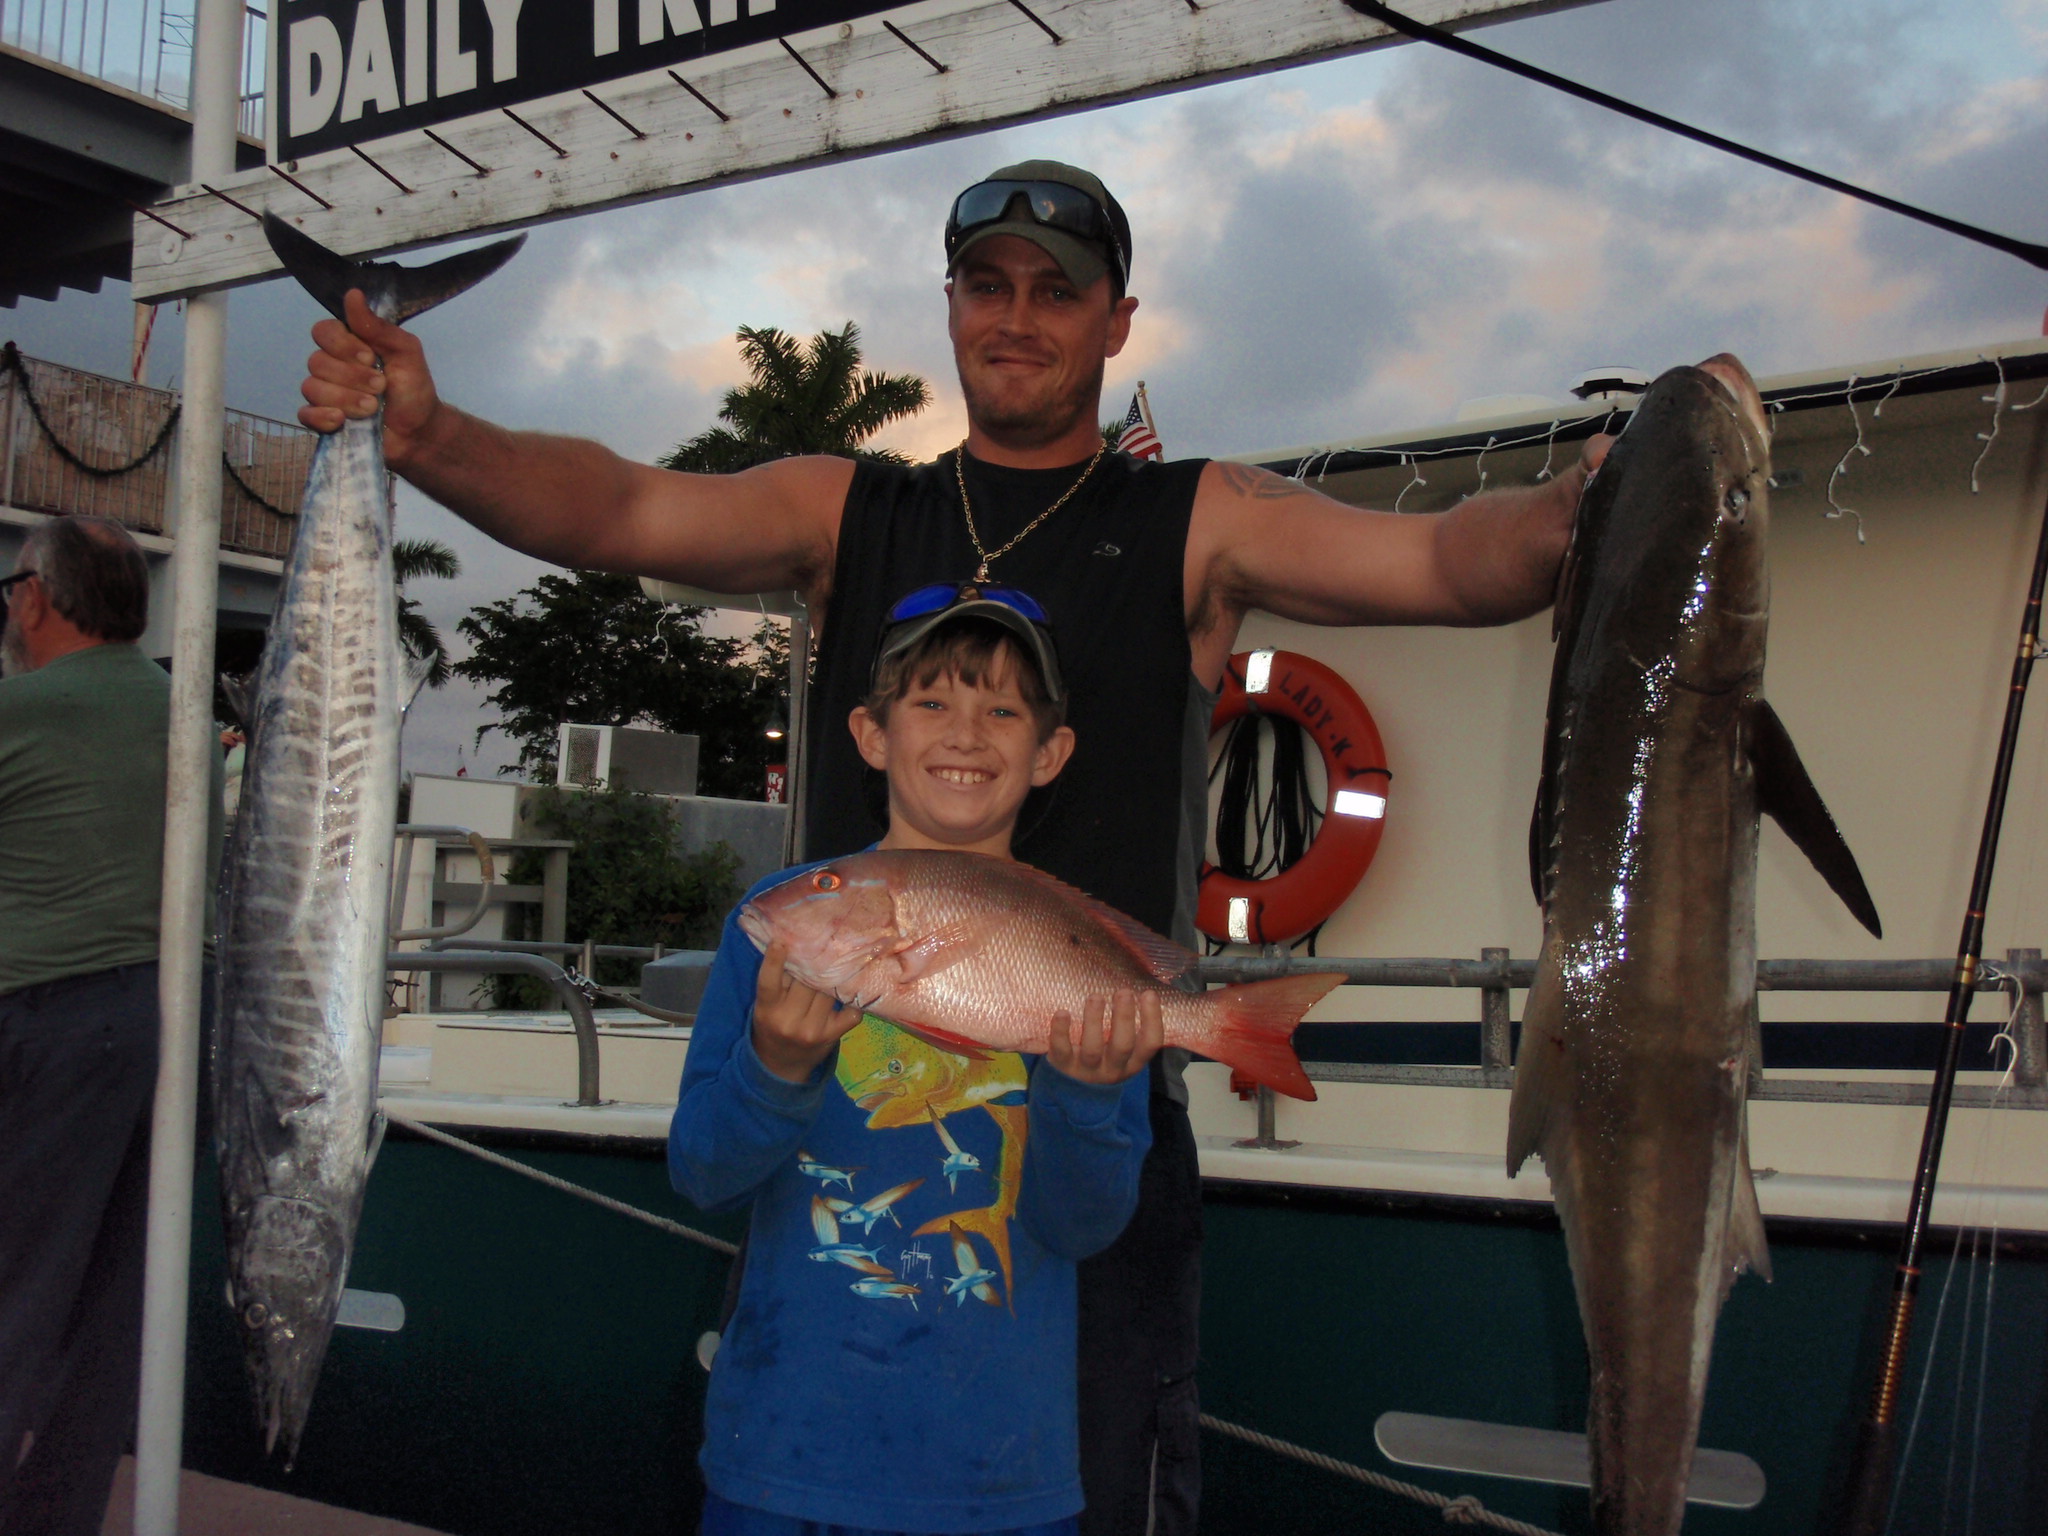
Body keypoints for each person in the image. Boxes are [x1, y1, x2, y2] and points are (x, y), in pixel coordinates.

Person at [298, 160, 1601, 1533]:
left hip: (1089, 1112)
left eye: (1057, 291)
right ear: (951, 302)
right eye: (988, 285)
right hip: (840, 1116)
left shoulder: (1198, 519)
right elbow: (623, 509)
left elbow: (1444, 564)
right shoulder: (844, 507)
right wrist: (429, 435)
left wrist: (1572, 517)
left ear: (1117, 319)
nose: (1016, 317)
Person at [670, 586, 1162, 1534]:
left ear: (1050, 752)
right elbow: (702, 1176)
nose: (965, 733)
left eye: (1003, 711)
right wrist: (772, 1068)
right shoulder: (773, 929)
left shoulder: (1080, 959)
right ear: (871, 734)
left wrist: (1085, 1096)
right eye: (931, 702)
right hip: (782, 1458)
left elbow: (1081, 1227)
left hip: (1001, 1478)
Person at [0, 517, 220, 1536]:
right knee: (110, 1315)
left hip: (46, 1014)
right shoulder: (184, 709)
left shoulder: (19, 710)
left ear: (38, 598)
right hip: (169, 1025)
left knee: (14, 1290)